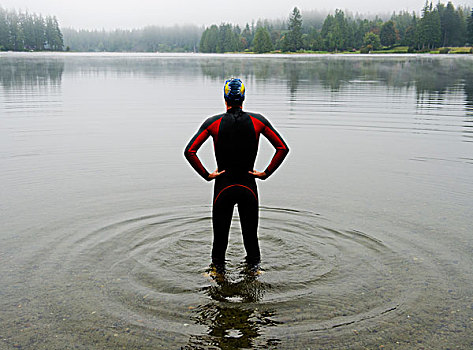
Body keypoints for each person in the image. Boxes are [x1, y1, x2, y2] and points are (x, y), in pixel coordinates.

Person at [184, 78, 289, 274]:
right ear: (243, 98)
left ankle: (218, 284)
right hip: (248, 186)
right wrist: (265, 173)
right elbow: (282, 148)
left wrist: (207, 175)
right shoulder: (258, 121)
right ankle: (254, 282)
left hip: (223, 187)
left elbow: (190, 151)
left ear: (225, 98)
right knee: (251, 239)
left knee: (220, 242)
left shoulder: (213, 123)